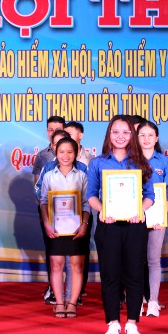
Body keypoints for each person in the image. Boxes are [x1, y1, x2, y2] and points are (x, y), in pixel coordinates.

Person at [87, 115, 154, 334]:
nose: (120, 136)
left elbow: (150, 195)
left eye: (126, 132)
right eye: (115, 132)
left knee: (135, 275)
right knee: (110, 275)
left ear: (132, 135)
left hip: (135, 226)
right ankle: (113, 323)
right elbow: (91, 195)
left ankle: (132, 323)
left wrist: (140, 210)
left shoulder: (141, 162)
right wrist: (102, 210)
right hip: (109, 226)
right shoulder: (98, 163)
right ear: (109, 134)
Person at [40, 137, 90, 318]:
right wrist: (46, 223)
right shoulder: (48, 176)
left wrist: (84, 224)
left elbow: (86, 203)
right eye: (62, 152)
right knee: (56, 265)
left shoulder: (82, 176)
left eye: (70, 152)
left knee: (77, 266)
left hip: (77, 229)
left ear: (75, 154)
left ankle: (72, 303)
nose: (66, 155)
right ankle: (60, 303)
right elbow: (43, 202)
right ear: (56, 153)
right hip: (56, 228)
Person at [136, 121, 168, 318]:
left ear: (156, 138)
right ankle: (137, 300)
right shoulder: (130, 159)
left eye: (150, 135)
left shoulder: (164, 161)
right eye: (142, 135)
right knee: (135, 260)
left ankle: (153, 301)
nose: (146, 139)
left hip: (157, 218)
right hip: (134, 217)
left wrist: (161, 216)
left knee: (153, 260)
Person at [33, 116, 65, 304]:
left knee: (71, 253)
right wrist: (44, 208)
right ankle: (54, 287)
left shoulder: (73, 155)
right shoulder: (42, 156)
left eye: (58, 129)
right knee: (52, 250)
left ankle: (72, 290)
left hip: (71, 212)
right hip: (48, 211)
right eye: (51, 130)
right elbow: (37, 185)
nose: (54, 133)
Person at [63, 121, 95, 298]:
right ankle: (63, 291)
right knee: (63, 253)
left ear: (80, 135)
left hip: (83, 211)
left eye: (70, 134)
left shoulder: (90, 159)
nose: (66, 137)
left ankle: (79, 289)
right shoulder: (58, 160)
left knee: (82, 250)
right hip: (61, 213)